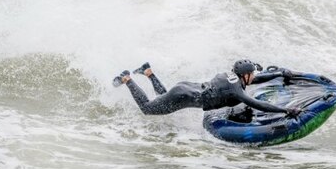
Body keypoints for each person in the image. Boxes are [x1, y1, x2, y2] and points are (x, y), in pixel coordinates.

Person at [113, 59, 302, 118]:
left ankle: (147, 71)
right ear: (245, 75)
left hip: (184, 88)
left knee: (163, 96)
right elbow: (256, 103)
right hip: (183, 94)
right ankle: (127, 78)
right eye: (251, 73)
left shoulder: (233, 77)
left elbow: (259, 78)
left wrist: (280, 73)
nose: (253, 76)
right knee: (147, 108)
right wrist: (285, 110)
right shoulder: (236, 90)